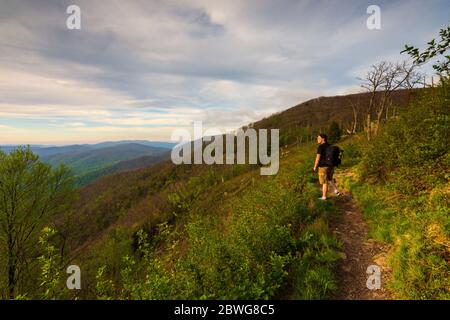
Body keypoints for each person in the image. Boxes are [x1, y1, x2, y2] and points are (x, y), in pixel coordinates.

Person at [313, 133, 339, 200]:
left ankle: (324, 197)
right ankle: (336, 190)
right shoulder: (330, 146)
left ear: (323, 139)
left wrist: (315, 167)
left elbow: (318, 158)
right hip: (331, 165)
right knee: (330, 178)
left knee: (324, 182)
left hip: (323, 167)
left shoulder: (320, 147)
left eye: (319, 138)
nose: (317, 139)